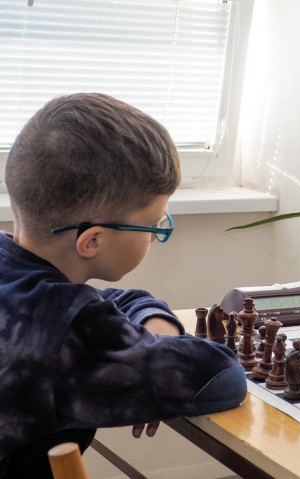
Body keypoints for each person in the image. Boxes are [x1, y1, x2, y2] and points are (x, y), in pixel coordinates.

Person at [0, 93, 247, 478]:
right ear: (93, 241)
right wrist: (156, 354)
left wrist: (154, 334)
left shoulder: (25, 280)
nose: (155, 235)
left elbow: (108, 300)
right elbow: (223, 377)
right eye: (153, 225)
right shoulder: (75, 331)